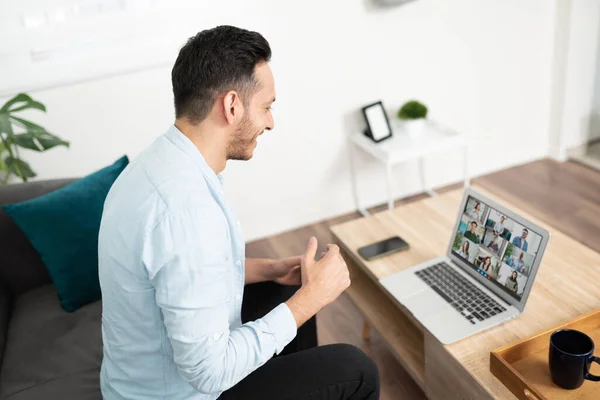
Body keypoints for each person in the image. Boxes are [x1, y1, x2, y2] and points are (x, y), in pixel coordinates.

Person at [98, 26, 379, 400]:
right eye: (267, 106)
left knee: (287, 289)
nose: (270, 122)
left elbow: (182, 274)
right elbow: (210, 373)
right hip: (178, 393)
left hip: (141, 377)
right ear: (232, 106)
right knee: (356, 369)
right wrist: (314, 297)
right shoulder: (186, 211)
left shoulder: (157, 165)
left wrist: (273, 270)